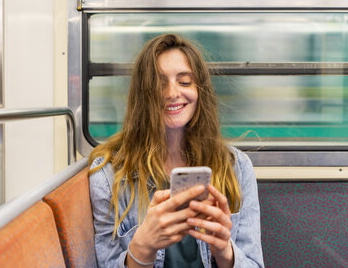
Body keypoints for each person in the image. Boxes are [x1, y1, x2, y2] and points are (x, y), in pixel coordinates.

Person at [88, 34, 264, 268]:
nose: (172, 93)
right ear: (144, 94)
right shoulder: (108, 176)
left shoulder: (236, 167)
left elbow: (254, 263)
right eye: (160, 83)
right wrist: (142, 248)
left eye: (184, 82)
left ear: (200, 90)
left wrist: (224, 251)